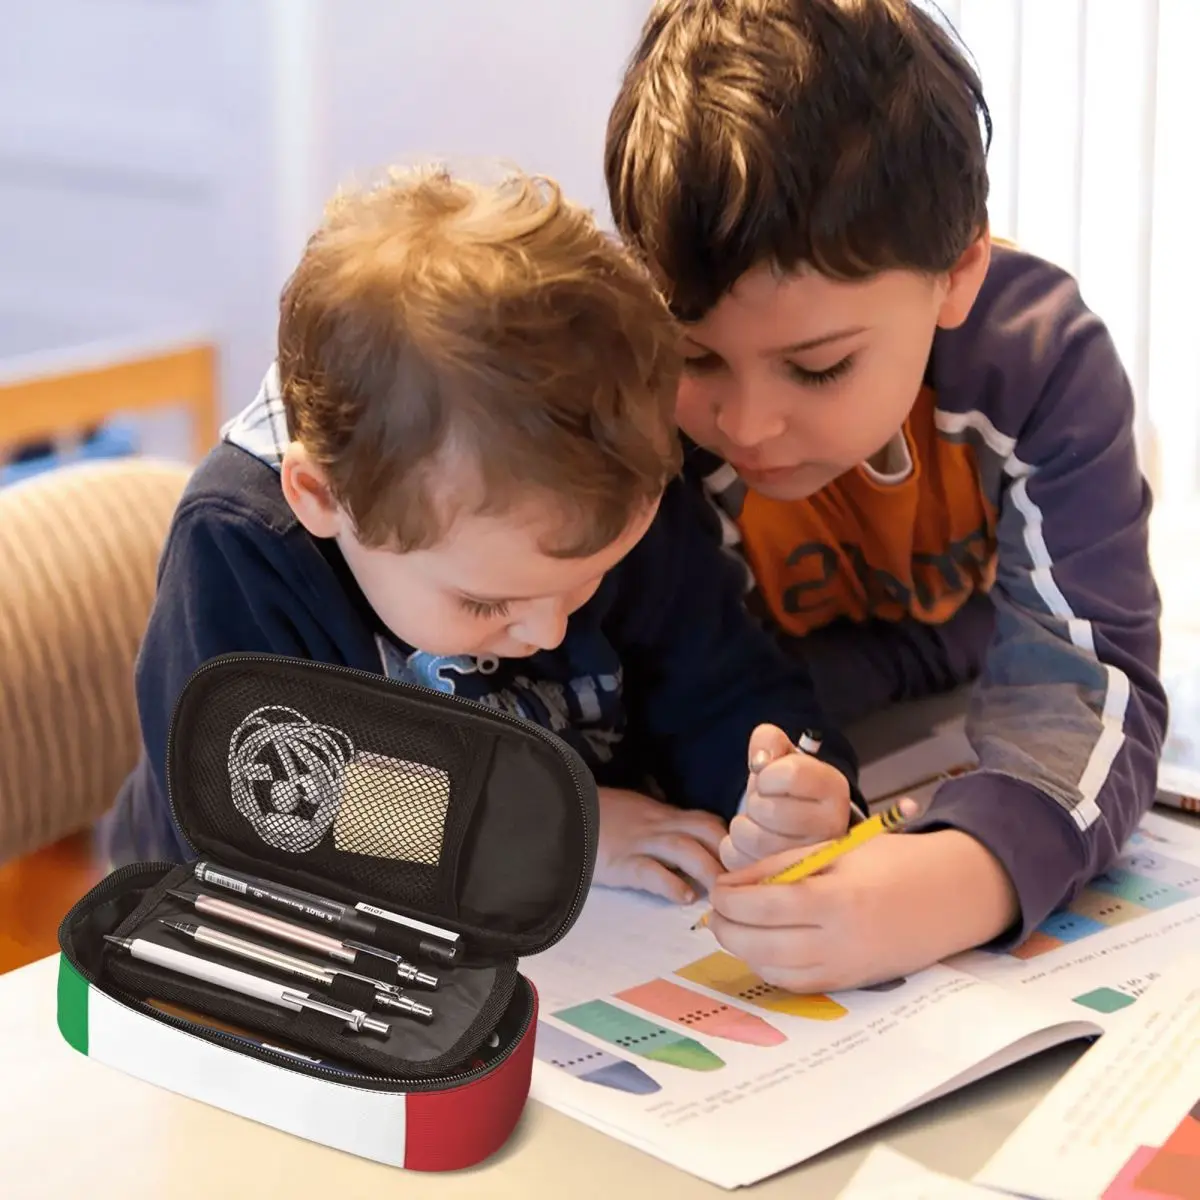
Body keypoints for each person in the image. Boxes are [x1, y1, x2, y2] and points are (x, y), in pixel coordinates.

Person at [100, 165, 863, 905]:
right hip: (225, 944)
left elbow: (718, 682)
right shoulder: (243, 547)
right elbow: (260, 800)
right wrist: (563, 832)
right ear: (323, 498)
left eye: (588, 580)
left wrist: (781, 792)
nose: (549, 625)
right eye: (484, 604)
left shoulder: (605, 484)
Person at [604, 0, 1167, 989]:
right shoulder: (634, 398)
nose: (745, 425)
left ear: (957, 274)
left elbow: (1090, 681)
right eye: (695, 355)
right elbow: (675, 695)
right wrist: (780, 787)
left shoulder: (1042, 364)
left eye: (817, 369)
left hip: (965, 695)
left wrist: (969, 875)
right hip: (835, 723)